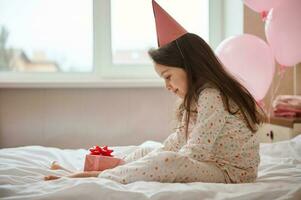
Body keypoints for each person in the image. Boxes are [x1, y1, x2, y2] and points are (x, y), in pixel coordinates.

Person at [44, 0, 265, 184]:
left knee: (166, 161)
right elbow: (180, 138)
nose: (167, 86)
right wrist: (151, 157)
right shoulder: (196, 99)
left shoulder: (211, 95)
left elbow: (196, 152)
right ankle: (117, 168)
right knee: (148, 148)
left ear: (189, 66)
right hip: (212, 163)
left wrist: (160, 160)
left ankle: (99, 176)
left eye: (168, 76)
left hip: (230, 173)